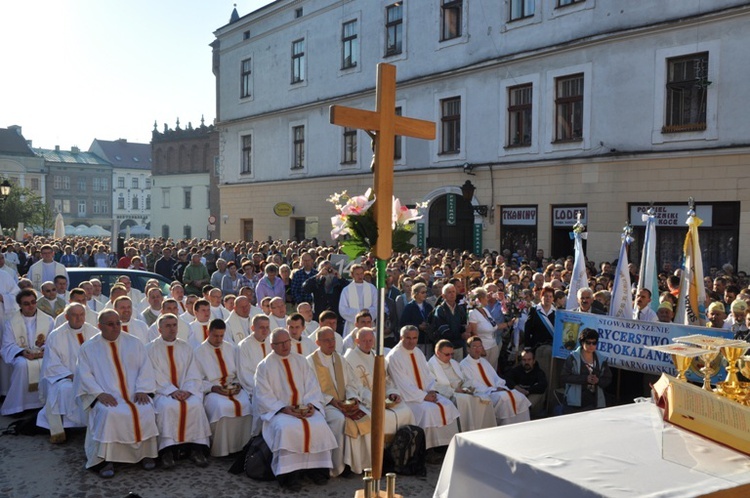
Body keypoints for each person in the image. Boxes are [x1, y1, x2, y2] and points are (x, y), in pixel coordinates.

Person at [74, 309, 159, 477]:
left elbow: (145, 368)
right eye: (110, 324)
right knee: (109, 413)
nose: (116, 327)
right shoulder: (88, 348)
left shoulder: (134, 343)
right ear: (99, 326)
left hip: (134, 394)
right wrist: (98, 394)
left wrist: (143, 389)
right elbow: (84, 375)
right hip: (107, 397)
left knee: (146, 409)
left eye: (118, 323)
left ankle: (145, 454)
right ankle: (105, 459)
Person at [254, 328, 338, 491]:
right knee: (287, 429)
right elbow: (263, 395)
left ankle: (317, 470)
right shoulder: (264, 366)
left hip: (304, 408)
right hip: (280, 412)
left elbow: (312, 386)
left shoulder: (300, 361)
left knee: (319, 424)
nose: (285, 346)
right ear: (272, 346)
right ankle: (290, 475)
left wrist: (311, 405)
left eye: (287, 342)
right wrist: (283, 409)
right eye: (280, 343)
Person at [146, 314, 212, 468]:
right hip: (162, 393)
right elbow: (152, 374)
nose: (172, 329)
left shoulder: (186, 347)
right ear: (159, 329)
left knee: (195, 405)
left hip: (185, 391)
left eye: (174, 325)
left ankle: (196, 449)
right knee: (167, 407)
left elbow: (193, 372)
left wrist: (188, 390)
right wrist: (171, 391)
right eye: (167, 326)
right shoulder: (150, 349)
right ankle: (166, 451)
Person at [386, 325, 459, 459]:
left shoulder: (418, 352)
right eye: (408, 338)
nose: (411, 341)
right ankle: (427, 449)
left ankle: (446, 445)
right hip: (409, 397)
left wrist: (431, 390)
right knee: (428, 410)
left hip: (425, 393)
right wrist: (424, 396)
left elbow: (427, 375)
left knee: (447, 404)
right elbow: (402, 384)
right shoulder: (394, 356)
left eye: (414, 338)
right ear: (401, 337)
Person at [307, 327, 371, 476]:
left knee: (366, 415)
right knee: (340, 420)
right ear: (317, 342)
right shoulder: (310, 362)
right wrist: (333, 402)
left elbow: (351, 383)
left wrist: (353, 399)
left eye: (333, 339)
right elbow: (311, 389)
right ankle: (340, 466)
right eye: (326, 340)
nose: (331, 343)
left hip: (345, 401)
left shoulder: (340, 359)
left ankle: (361, 463)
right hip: (325, 405)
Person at [37, 302, 98, 442]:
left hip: (91, 376)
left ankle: (94, 424)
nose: (79, 318)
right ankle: (69, 425)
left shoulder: (93, 332)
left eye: (82, 314)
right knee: (67, 389)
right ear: (66, 316)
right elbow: (52, 364)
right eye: (74, 315)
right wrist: (74, 376)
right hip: (64, 377)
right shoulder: (56, 335)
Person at [193, 319, 252, 457]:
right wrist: (213, 388)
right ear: (208, 332)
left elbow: (239, 371)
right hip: (212, 391)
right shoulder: (198, 352)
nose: (219, 339)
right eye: (215, 336)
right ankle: (222, 449)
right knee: (222, 407)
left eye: (221, 335)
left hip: (233, 388)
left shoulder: (231, 348)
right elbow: (196, 380)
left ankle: (242, 447)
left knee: (247, 405)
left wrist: (237, 384)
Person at [343, 327, 414, 438]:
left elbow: (386, 379)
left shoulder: (378, 357)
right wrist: (376, 400)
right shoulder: (350, 359)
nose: (368, 344)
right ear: (357, 341)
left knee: (406, 411)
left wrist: (392, 393)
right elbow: (356, 386)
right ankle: (379, 450)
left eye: (370, 340)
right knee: (380, 416)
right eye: (364, 341)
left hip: (383, 398)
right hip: (366, 401)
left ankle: (400, 447)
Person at [1, 289, 54, 415]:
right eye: (26, 303)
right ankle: (18, 406)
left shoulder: (48, 320)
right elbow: (7, 345)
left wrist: (43, 352)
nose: (31, 306)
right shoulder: (11, 323)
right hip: (23, 356)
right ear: (19, 305)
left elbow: (53, 342)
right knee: (21, 365)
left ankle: (43, 403)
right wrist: (22, 352)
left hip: (43, 355)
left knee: (48, 365)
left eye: (33, 302)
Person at [427, 339, 496, 433]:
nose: (450, 357)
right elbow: (434, 385)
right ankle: (468, 430)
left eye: (452, 354)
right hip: (448, 394)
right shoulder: (430, 366)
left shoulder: (454, 363)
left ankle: (484, 430)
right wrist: (454, 390)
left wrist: (466, 388)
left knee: (483, 398)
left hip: (462, 391)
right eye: (447, 354)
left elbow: (465, 379)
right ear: (438, 353)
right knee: (465, 400)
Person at [461, 337, 531, 425]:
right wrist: (492, 390)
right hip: (485, 393)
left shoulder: (484, 361)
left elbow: (496, 377)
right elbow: (471, 383)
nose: (477, 349)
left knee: (518, 396)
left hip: (497, 390)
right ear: (468, 349)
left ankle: (523, 426)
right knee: (504, 399)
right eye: (474, 346)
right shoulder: (464, 365)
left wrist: (500, 386)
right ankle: (506, 426)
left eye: (480, 346)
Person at [560, 328, 612, 413]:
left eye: (594, 343)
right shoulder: (572, 358)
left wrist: (598, 381)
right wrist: (585, 379)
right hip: (574, 403)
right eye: (588, 342)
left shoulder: (601, 360)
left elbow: (608, 379)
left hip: (595, 402)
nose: (591, 345)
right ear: (582, 342)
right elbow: (564, 377)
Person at [302, 260, 349, 327]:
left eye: (329, 269)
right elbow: (305, 288)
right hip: (320, 316)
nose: (327, 271)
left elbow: (348, 289)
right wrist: (318, 275)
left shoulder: (338, 282)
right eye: (324, 269)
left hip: (336, 317)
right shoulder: (317, 282)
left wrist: (339, 277)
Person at [523, 285, 556, 381]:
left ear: (553, 299)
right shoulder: (534, 310)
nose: (548, 299)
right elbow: (528, 328)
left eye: (550, 296)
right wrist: (527, 346)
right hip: (536, 344)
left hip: (550, 344)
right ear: (541, 297)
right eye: (546, 296)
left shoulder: (556, 312)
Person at [429, 283, 469, 361]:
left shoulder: (460, 309)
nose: (452, 294)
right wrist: (461, 336)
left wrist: (465, 331)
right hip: (445, 347)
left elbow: (462, 324)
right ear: (443, 296)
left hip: (459, 346)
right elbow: (444, 330)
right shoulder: (440, 310)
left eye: (453, 292)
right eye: (449, 292)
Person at [505, 348, 548, 418]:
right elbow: (506, 378)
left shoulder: (539, 372)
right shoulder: (517, 370)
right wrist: (517, 388)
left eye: (529, 360)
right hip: (518, 395)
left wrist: (528, 391)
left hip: (531, 397)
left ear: (534, 361)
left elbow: (543, 385)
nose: (526, 362)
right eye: (524, 360)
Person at [466, 287, 501, 371]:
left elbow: (493, 325)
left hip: (493, 345)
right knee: (483, 371)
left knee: (492, 371)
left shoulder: (485, 310)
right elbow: (474, 333)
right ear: (480, 299)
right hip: (483, 347)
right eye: (485, 297)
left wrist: (509, 323)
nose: (487, 299)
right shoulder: (473, 313)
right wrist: (480, 348)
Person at [338, 264, 378, 334]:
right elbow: (343, 309)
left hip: (369, 324)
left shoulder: (371, 288)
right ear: (352, 275)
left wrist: (368, 312)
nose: (360, 276)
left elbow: (377, 306)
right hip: (352, 325)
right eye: (357, 274)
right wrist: (359, 313)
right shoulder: (347, 290)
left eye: (361, 273)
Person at [399, 282, 434, 354]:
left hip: (427, 340)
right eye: (422, 292)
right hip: (415, 342)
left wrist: (428, 325)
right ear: (416, 294)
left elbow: (433, 319)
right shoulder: (409, 307)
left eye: (425, 292)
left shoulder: (428, 306)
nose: (425, 294)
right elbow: (404, 323)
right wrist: (418, 326)